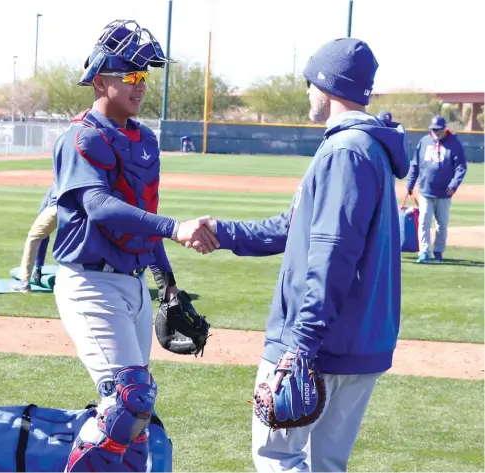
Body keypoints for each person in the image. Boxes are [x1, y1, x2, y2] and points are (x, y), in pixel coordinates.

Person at [188, 37, 410, 472]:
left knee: (278, 458)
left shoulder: (345, 151)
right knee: (325, 465)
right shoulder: (370, 148)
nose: (308, 93)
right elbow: (294, 230)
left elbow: (332, 256)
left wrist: (301, 346)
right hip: (358, 343)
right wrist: (223, 232)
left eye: (310, 83)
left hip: (319, 345)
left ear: (325, 87)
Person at [50, 19, 219, 472]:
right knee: (128, 400)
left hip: (133, 285)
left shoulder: (143, 140)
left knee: (136, 416)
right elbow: (100, 206)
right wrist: (174, 227)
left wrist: (167, 284)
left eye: (144, 76)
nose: (140, 85)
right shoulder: (80, 137)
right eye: (130, 76)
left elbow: (140, 216)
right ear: (101, 80)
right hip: (90, 283)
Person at [406, 114, 467, 263]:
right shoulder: (424, 142)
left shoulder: (454, 143)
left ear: (445, 129)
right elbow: (415, 164)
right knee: (423, 223)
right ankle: (424, 252)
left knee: (442, 225)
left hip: (444, 193)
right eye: (433, 129)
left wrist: (453, 185)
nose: (436, 132)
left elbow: (461, 167)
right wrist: (410, 184)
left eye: (438, 130)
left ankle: (438, 252)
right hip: (426, 190)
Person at [13, 183, 57, 293]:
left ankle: (24, 283)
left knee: (34, 237)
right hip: (79, 209)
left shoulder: (61, 172)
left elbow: (45, 204)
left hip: (56, 207)